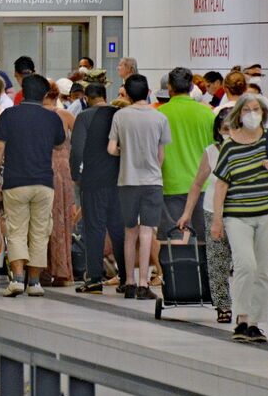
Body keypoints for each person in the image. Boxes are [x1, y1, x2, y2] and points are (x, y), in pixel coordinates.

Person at [0, 74, 67, 297]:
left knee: (16, 230)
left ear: (22, 90)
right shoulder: (52, 118)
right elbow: (60, 143)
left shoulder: (9, 115)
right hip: (44, 182)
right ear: (44, 95)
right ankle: (34, 283)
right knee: (40, 233)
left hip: (15, 182)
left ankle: (17, 279)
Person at [211, 93, 268, 343]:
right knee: (246, 265)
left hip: (265, 213)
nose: (253, 114)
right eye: (248, 110)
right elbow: (221, 185)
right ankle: (241, 318)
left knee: (263, 271)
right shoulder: (230, 146)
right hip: (237, 216)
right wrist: (217, 219)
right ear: (239, 115)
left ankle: (254, 323)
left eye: (257, 109)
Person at [108, 73, 171, 301]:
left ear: (128, 94)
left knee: (129, 232)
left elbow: (111, 149)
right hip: (152, 181)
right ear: (148, 92)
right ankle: (145, 283)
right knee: (147, 232)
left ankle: (130, 282)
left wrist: (124, 153)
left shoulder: (120, 116)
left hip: (127, 180)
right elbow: (161, 155)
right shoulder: (159, 117)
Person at [70, 82, 129, 293]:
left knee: (94, 228)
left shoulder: (84, 117)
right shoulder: (119, 114)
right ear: (106, 95)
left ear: (86, 98)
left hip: (94, 181)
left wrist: (76, 175)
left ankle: (94, 278)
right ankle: (125, 276)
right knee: (119, 229)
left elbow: (77, 150)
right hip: (119, 180)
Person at [177, 112, 233, 323]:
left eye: (232, 127)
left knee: (246, 263)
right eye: (225, 129)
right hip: (213, 210)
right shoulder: (211, 152)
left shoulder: (250, 151)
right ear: (218, 131)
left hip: (242, 211)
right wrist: (187, 213)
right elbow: (197, 184)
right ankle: (223, 305)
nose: (229, 133)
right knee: (217, 259)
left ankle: (248, 308)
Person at [158, 67, 216, 239]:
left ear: (169, 87)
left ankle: (179, 267)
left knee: (175, 238)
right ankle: (206, 267)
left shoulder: (160, 114)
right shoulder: (208, 114)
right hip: (203, 184)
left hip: (170, 184)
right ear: (191, 87)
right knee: (206, 240)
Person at [44, 83, 77, 286]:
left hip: (42, 166)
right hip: (63, 171)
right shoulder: (64, 116)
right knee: (62, 219)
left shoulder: (36, 115)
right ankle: (62, 269)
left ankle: (43, 268)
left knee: (41, 219)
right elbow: (82, 137)